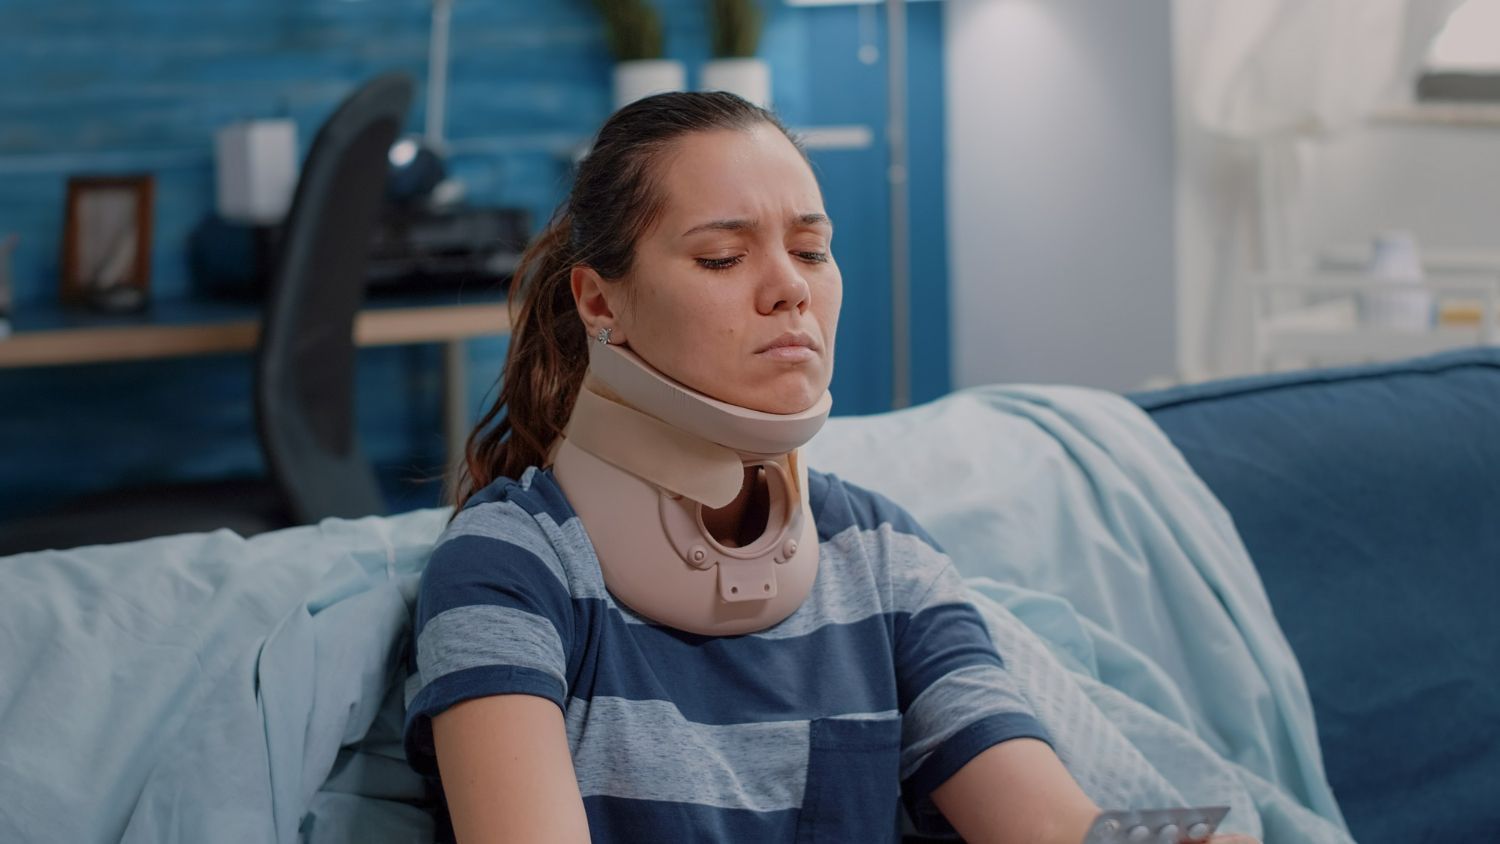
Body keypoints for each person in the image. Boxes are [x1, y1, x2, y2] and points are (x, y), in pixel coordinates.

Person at [401, 91, 1258, 844]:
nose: (790, 290)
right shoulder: (511, 569)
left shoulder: (881, 556)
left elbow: (1046, 828)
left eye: (810, 251)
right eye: (722, 258)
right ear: (600, 303)